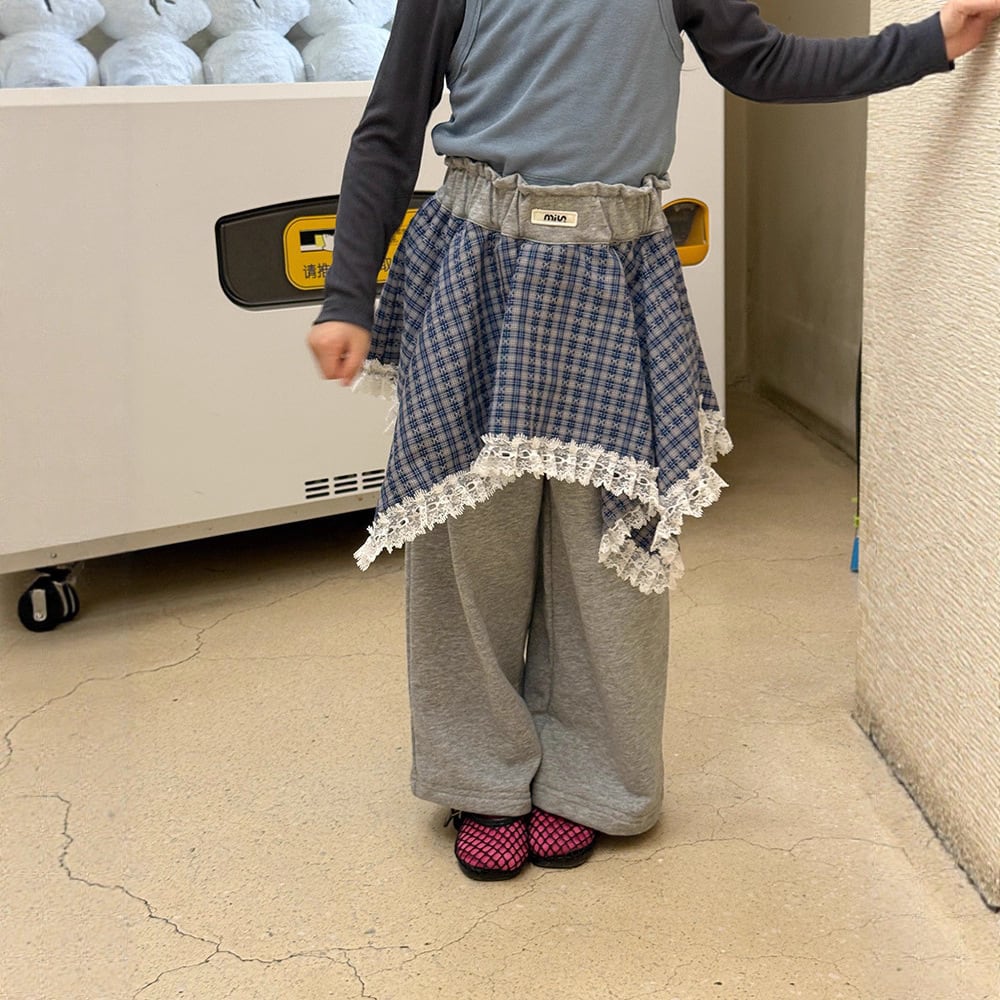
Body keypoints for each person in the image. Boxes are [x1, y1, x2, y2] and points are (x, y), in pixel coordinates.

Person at [307, 0, 1000, 881]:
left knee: (606, 552)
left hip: (616, 273)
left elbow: (760, 62)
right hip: (476, 267)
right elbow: (391, 127)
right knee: (470, 546)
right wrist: (346, 293)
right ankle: (480, 775)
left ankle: (594, 774)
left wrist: (928, 42)